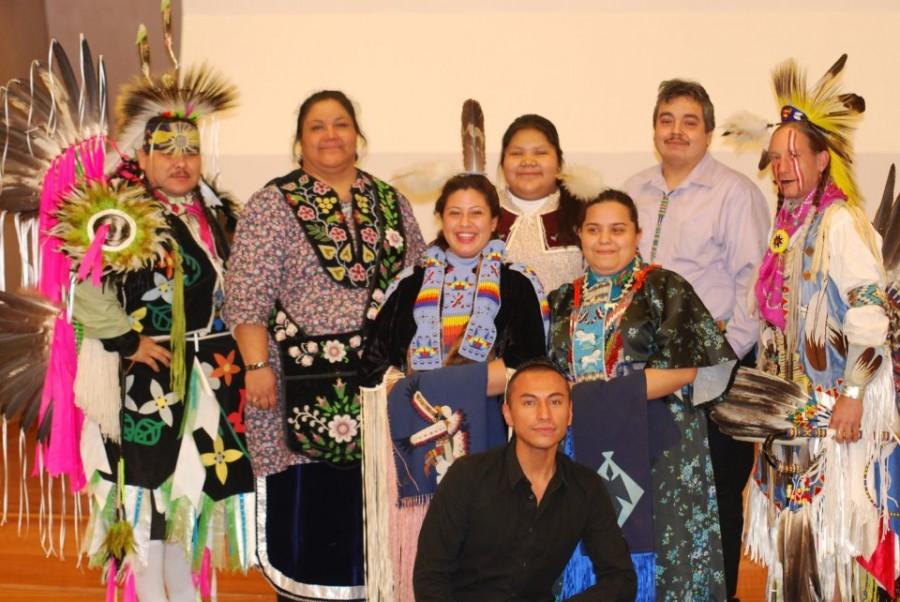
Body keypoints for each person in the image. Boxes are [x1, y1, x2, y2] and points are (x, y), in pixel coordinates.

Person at [224, 90, 425, 600]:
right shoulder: (272, 204)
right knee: (311, 525)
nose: (330, 135)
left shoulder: (390, 201)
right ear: (299, 141)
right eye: (317, 126)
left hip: (380, 389)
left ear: (359, 135)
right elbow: (247, 294)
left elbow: (419, 284)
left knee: (378, 516)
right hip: (293, 386)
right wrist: (254, 365)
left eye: (340, 123)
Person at [744, 56, 894, 599]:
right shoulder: (788, 229)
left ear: (822, 159)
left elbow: (870, 316)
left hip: (835, 421)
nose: (782, 167)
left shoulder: (839, 222)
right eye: (775, 158)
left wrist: (854, 395)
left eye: (794, 155)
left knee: (836, 552)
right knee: (796, 556)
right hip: (790, 423)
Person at [359, 172, 549, 601]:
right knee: (429, 564)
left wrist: (427, 385)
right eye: (455, 213)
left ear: (495, 221)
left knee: (492, 564)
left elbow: (531, 367)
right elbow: (373, 369)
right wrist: (460, 384)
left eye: (477, 213)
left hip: (497, 445)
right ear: (441, 219)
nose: (466, 223)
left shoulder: (518, 284)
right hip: (415, 444)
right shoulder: (408, 284)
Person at [547, 189, 737, 599]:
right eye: (594, 229)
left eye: (618, 230)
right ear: (579, 234)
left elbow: (696, 366)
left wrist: (609, 393)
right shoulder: (563, 299)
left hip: (657, 441)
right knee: (586, 541)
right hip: (580, 441)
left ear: (637, 234)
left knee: (665, 547)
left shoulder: (664, 287)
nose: (605, 240)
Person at [622, 79, 770, 601]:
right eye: (667, 119)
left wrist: (719, 365)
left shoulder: (735, 193)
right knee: (650, 493)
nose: (677, 131)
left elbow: (753, 286)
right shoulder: (634, 190)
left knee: (715, 495)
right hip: (643, 376)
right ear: (654, 128)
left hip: (712, 376)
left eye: (690, 121)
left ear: (708, 133)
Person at [412, 359, 637, 601]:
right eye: (529, 402)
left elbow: (621, 578)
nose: (544, 415)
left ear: (570, 413)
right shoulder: (467, 476)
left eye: (556, 402)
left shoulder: (585, 486)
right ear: (508, 413)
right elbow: (430, 579)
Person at [496, 114, 601, 292]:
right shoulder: (482, 211)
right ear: (502, 164)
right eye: (516, 153)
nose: (528, 161)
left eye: (540, 153)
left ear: (559, 164)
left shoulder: (588, 211)